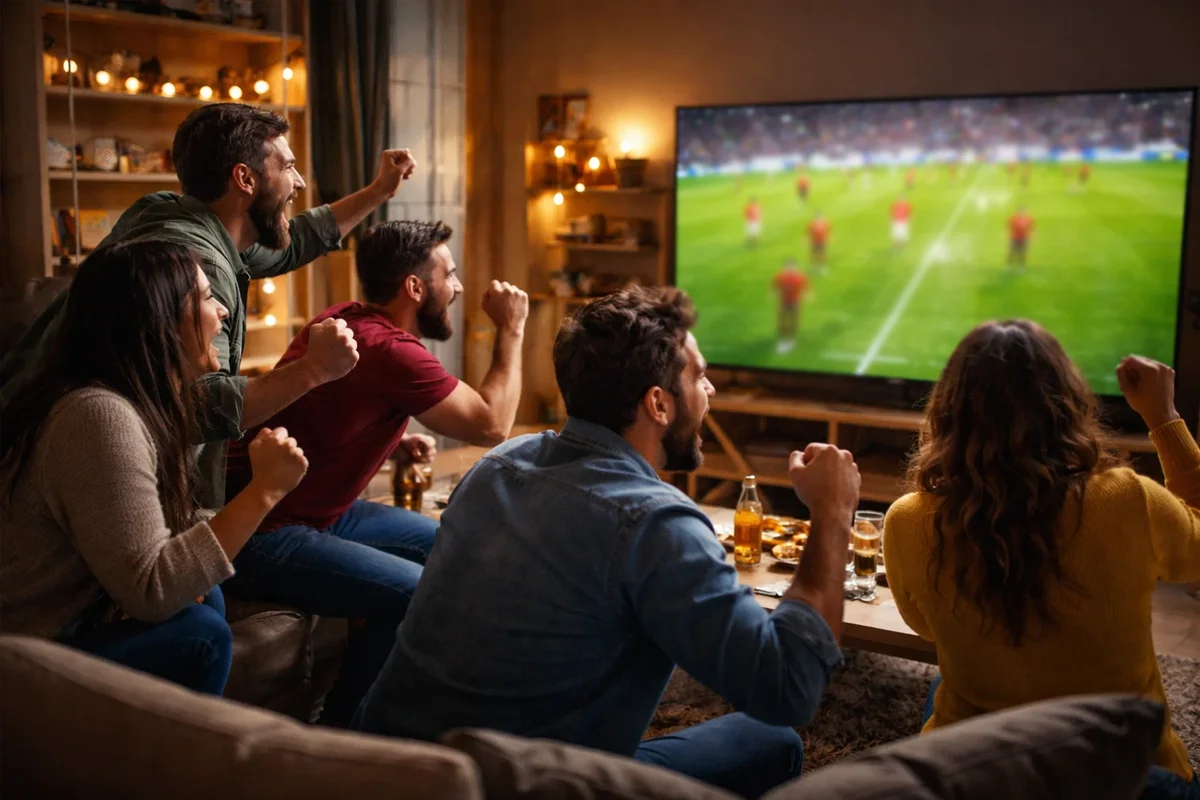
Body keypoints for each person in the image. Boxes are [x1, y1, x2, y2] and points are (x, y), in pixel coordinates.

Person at [358, 287, 861, 799]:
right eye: (700, 377)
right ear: (658, 404)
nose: (709, 391)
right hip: (517, 785)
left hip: (383, 770)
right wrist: (832, 511)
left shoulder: (496, 465)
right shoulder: (654, 523)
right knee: (775, 740)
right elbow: (788, 689)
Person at [0, 103, 415, 508]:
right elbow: (195, 404)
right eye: (287, 167)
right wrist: (312, 370)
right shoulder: (194, 261)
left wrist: (380, 190)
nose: (300, 182)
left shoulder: (180, 213)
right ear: (245, 179)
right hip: (70, 491)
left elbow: (292, 242)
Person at [222, 220, 528, 727]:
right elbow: (493, 424)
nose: (457, 288)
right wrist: (513, 329)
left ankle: (452, 693)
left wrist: (386, 441)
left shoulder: (346, 318)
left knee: (459, 544)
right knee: (415, 592)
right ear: (414, 286)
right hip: (260, 529)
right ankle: (348, 731)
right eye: (449, 275)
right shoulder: (390, 350)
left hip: (318, 510)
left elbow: (318, 418)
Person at [884, 321, 1200, 800]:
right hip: (1129, 774)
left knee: (946, 683)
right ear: (1067, 403)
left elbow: (925, 627)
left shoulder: (907, 520)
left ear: (948, 410)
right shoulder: (1130, 498)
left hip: (980, 777)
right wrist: (1164, 417)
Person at [0, 240, 308, 694]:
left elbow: (162, 536)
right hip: (25, 656)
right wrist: (264, 492)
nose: (223, 311)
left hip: (74, 628)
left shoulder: (143, 404)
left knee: (207, 600)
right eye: (206, 297)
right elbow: (152, 591)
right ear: (158, 319)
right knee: (199, 636)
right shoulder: (97, 416)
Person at [773, 259, 810, 354]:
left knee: (793, 320)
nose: (790, 269)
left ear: (795, 267)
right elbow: (774, 285)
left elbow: (806, 285)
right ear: (784, 267)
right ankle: (783, 340)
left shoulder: (800, 276)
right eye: (788, 267)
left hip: (795, 302)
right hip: (783, 301)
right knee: (782, 320)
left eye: (791, 267)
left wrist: (807, 294)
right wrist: (773, 292)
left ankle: (792, 340)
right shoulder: (780, 276)